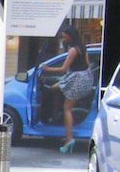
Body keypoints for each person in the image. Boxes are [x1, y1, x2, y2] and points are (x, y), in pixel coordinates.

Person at [39, 22, 94, 153]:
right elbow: (86, 64)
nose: (64, 39)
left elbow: (63, 69)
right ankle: (50, 90)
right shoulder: (82, 47)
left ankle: (69, 139)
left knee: (67, 108)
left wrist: (47, 68)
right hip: (85, 77)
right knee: (59, 85)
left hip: (77, 79)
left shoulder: (73, 50)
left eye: (64, 37)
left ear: (70, 36)